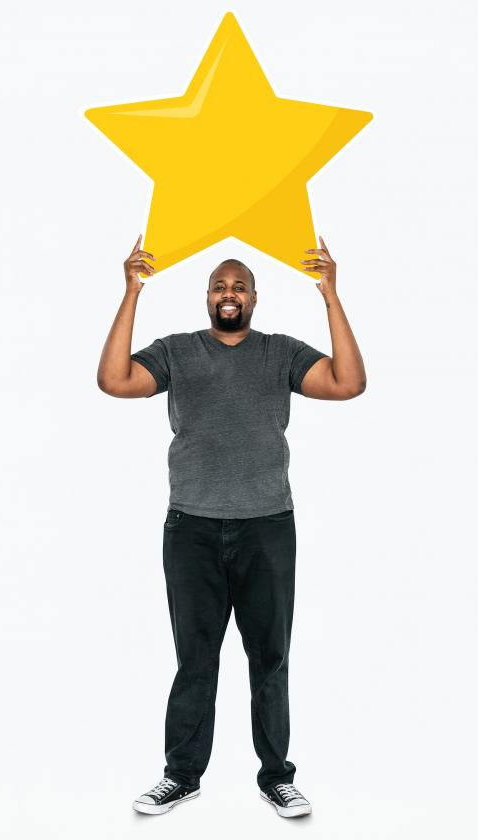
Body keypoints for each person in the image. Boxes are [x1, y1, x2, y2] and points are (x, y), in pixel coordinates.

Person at [97, 234, 366, 819]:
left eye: (238, 285)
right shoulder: (177, 350)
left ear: (254, 297)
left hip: (267, 527)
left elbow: (349, 384)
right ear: (207, 296)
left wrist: (331, 298)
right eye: (219, 285)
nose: (228, 293)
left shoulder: (281, 352)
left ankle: (277, 778)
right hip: (190, 528)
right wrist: (131, 292)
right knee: (195, 658)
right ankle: (181, 775)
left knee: (270, 657)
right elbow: (114, 381)